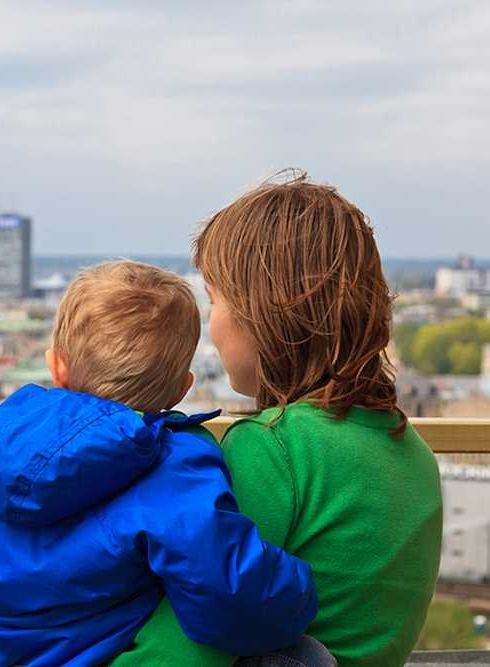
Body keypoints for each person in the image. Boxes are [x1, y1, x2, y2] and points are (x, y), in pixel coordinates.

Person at [113, 173, 443, 667]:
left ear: (263, 313)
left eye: (215, 299)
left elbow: (192, 639)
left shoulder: (273, 446)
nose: (212, 322)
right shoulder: (410, 448)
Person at [0, 261, 320, 667]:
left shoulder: (1, 445)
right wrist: (301, 592)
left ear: (57, 367)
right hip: (115, 652)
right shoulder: (173, 465)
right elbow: (231, 595)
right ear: (181, 388)